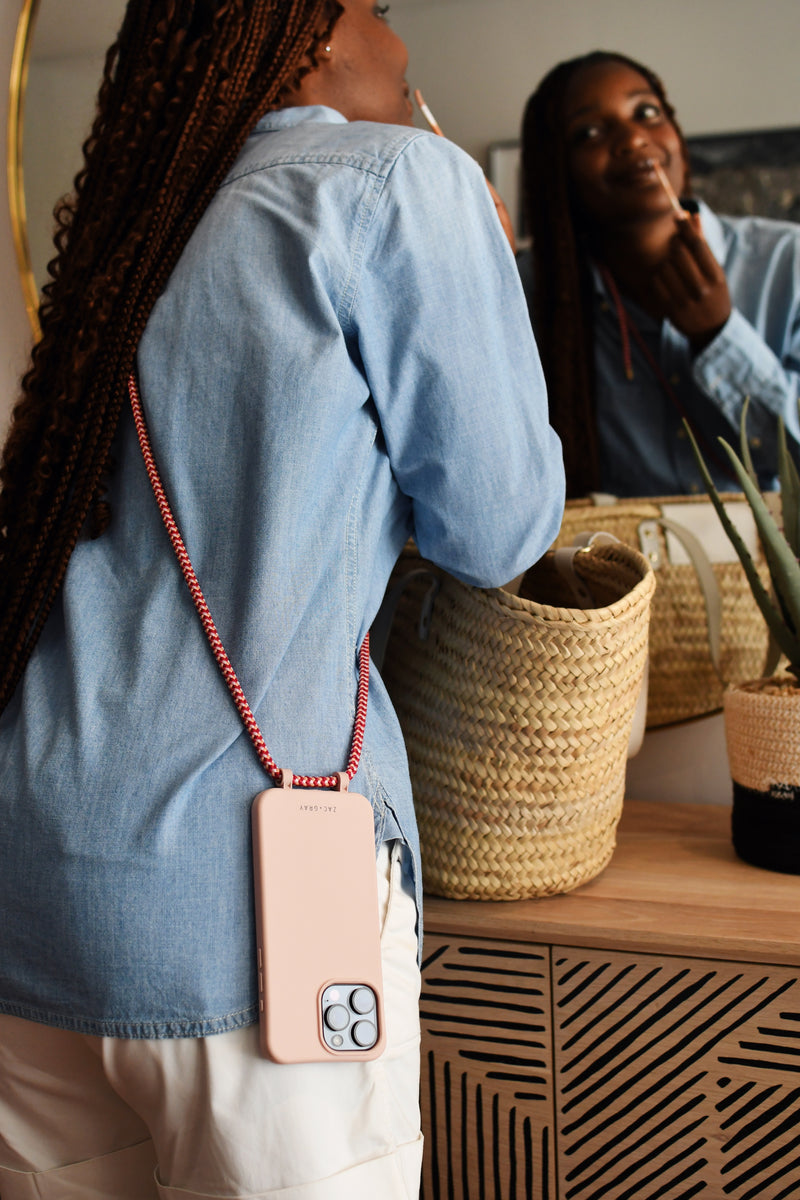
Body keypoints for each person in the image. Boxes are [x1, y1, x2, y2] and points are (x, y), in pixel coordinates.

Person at [0, 2, 564, 1197]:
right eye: (377, 8)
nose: (399, 42)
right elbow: (499, 530)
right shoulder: (397, 180)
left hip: (32, 876)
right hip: (243, 904)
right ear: (304, 33)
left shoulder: (132, 234)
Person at [518, 50, 800, 498]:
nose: (632, 139)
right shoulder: (529, 292)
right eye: (589, 132)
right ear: (558, 170)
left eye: (646, 112)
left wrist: (718, 334)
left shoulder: (789, 261)